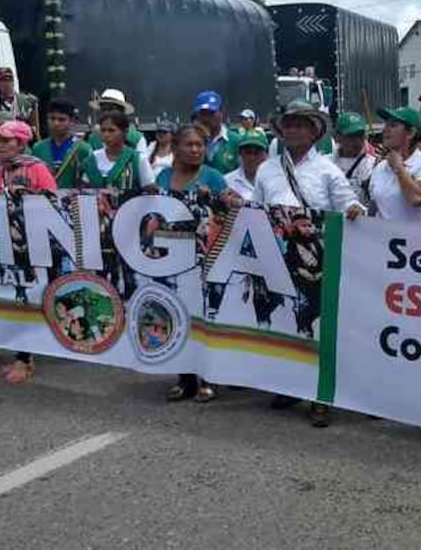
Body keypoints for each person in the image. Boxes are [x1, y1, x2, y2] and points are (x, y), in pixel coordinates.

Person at [254, 99, 364, 427]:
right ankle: (289, 386)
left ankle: (321, 397)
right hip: (278, 257)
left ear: (314, 131)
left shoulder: (328, 171)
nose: (293, 129)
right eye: (288, 124)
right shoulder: (267, 168)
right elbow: (258, 210)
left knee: (318, 326)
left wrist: (357, 211)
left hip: (318, 260)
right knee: (286, 324)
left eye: (301, 124)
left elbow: (351, 205)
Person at [158, 124, 228, 405]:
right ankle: (184, 378)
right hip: (170, 261)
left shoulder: (213, 177)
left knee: (204, 319)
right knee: (177, 316)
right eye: (189, 145)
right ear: (176, 148)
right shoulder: (163, 176)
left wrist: (214, 200)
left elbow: (228, 216)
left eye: (200, 145)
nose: (196, 150)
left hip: (204, 261)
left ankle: (208, 378)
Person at [0, 120, 58, 385]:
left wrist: (26, 197)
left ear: (22, 143)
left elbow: (53, 202)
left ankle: (25, 357)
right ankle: (25, 352)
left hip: (36, 245)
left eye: (8, 140)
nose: (2, 145)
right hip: (8, 244)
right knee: (16, 298)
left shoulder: (37, 168)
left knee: (33, 297)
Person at [369, 106, 421, 223]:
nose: (386, 130)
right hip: (383, 239)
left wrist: (398, 168)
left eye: (393, 125)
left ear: (411, 133)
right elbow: (374, 208)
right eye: (386, 125)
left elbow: (416, 198)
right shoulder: (379, 168)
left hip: (416, 240)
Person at [32, 97, 95, 189]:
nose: (56, 123)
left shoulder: (83, 149)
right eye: (52, 118)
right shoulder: (38, 148)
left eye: (61, 120)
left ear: (72, 121)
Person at [85, 111, 156, 191]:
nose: (106, 135)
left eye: (111, 130)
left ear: (124, 132)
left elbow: (150, 190)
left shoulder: (138, 159)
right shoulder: (92, 158)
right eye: (103, 130)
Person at [326, 112, 375, 209]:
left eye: (360, 135)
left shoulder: (372, 165)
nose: (356, 141)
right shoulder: (325, 163)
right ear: (337, 137)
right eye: (351, 136)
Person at [0, 66, 39, 135]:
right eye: (3, 80)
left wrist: (34, 107)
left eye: (10, 79)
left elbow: (34, 129)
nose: (7, 83)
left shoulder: (24, 102)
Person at [86, 89, 147, 157]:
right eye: (103, 109)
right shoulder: (93, 138)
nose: (106, 113)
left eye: (110, 109)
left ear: (122, 112)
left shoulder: (137, 138)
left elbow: (140, 164)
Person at [192, 90, 240, 174]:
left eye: (211, 114)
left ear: (221, 112)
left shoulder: (236, 141)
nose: (206, 118)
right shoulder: (190, 142)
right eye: (203, 114)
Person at [225, 128, 269, 201]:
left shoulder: (276, 180)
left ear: (266, 155)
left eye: (257, 153)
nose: (252, 158)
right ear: (240, 154)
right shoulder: (227, 181)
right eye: (248, 152)